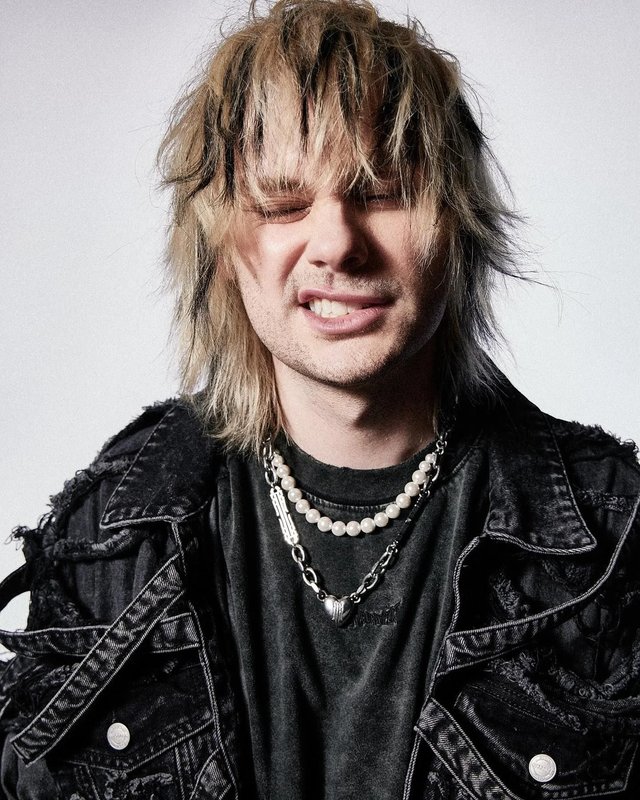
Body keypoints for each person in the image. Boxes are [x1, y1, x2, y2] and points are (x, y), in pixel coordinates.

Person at [1, 0, 639, 797]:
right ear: (223, 245)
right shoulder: (113, 537)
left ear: (457, 222)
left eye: (383, 191)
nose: (337, 243)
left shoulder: (612, 539)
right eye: (282, 204)